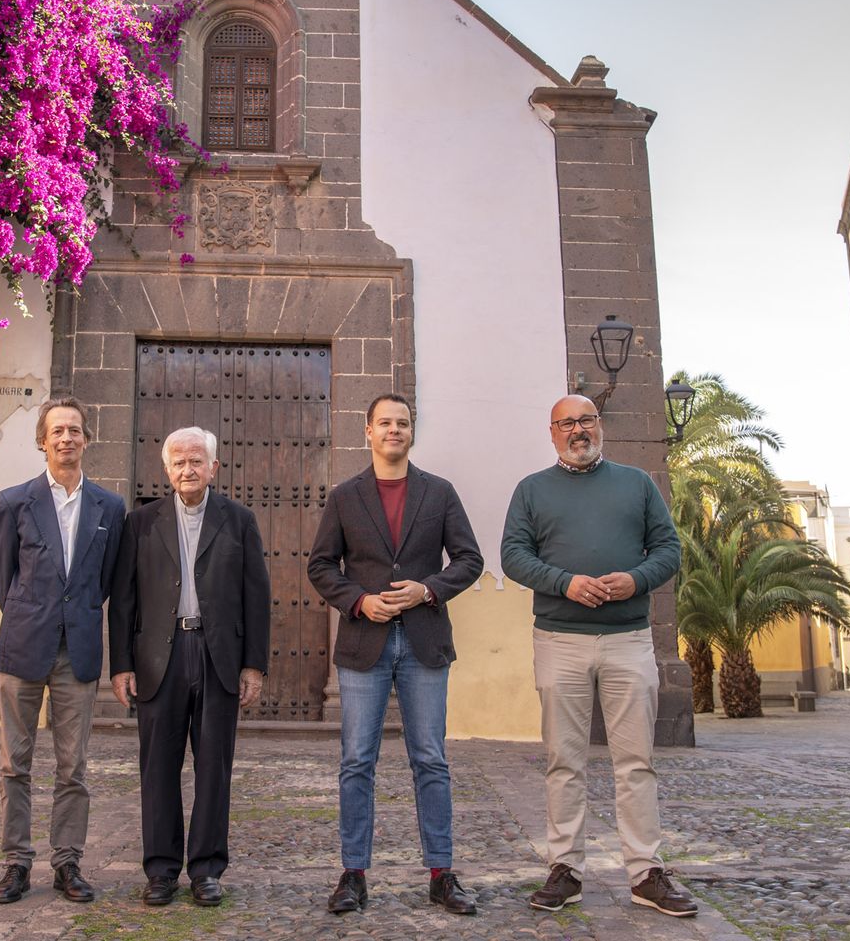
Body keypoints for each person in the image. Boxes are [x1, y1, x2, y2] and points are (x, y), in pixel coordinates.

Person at [501, 394, 697, 918]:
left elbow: (669, 551)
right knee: (563, 760)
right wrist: (565, 584)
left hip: (628, 641)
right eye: (566, 423)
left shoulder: (637, 484)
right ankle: (565, 868)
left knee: (636, 761)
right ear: (552, 432)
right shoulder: (531, 490)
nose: (578, 430)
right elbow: (513, 556)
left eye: (586, 420)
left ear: (600, 425)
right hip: (559, 641)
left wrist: (635, 579)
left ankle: (645, 871)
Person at [308, 393, 484, 916]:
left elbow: (470, 559)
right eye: (384, 423)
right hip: (365, 643)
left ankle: (441, 872)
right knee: (356, 761)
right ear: (368, 431)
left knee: (430, 759)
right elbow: (321, 567)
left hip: (425, 642)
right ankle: (353, 874)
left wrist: (426, 590)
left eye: (402, 423)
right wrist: (359, 601)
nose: (394, 430)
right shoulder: (344, 496)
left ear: (412, 432)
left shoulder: (440, 492)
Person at [108, 426, 270, 908]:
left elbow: (256, 597)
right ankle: (160, 871)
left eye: (197, 460)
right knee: (157, 767)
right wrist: (120, 665)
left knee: (214, 768)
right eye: (178, 461)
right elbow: (123, 600)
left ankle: (205, 869)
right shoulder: (140, 523)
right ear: (166, 469)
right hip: (160, 656)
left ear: (214, 467)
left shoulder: (239, 520)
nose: (187, 469)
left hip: (218, 655)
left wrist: (254, 665)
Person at [0, 396, 125, 906]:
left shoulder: (110, 507)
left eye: (75, 430)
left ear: (87, 439)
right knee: (14, 763)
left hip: (79, 653)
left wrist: (72, 615)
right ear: (42, 441)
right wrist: (32, 614)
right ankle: (17, 862)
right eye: (57, 431)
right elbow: (4, 578)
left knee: (74, 767)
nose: (66, 438)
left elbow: (106, 581)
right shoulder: (14, 501)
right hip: (22, 649)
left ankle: (67, 861)